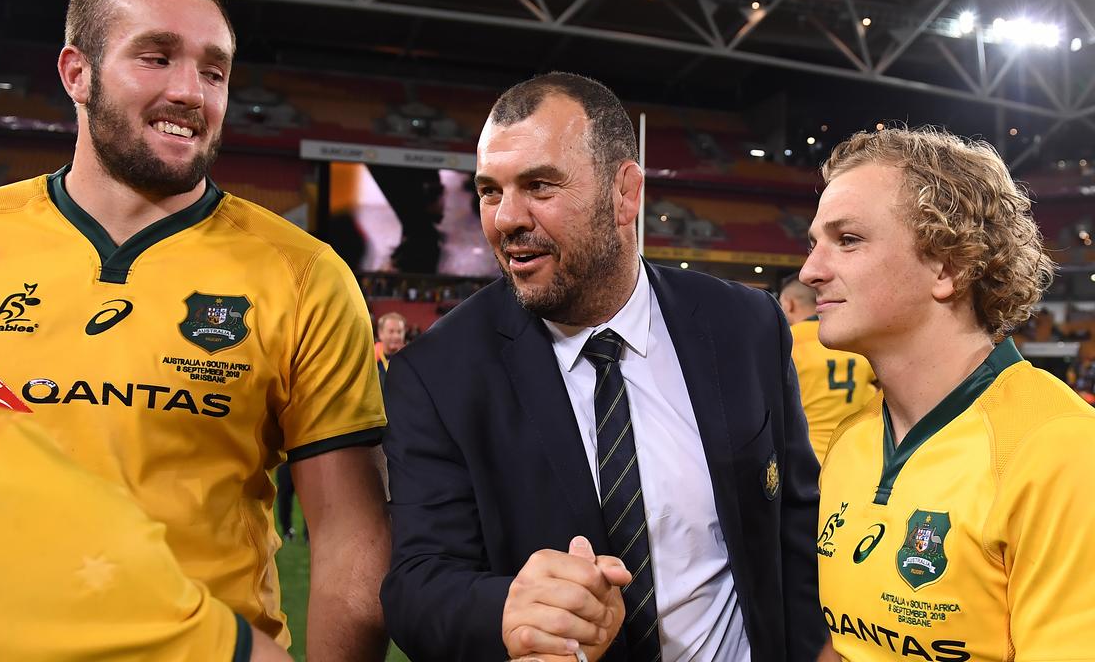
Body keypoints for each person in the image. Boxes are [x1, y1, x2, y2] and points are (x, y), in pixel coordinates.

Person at [0, 0, 390, 658]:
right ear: (75, 72)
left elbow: (350, 545)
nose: (191, 91)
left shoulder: (306, 275)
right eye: (155, 57)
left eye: (214, 71)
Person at [380, 72, 823, 662]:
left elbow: (795, 518)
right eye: (490, 190)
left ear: (625, 193)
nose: (506, 218)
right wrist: (509, 607)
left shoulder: (745, 326)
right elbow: (415, 586)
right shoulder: (437, 375)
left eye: (539, 185)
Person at [803, 127, 1095, 660]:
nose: (810, 271)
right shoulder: (850, 443)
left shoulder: (1060, 450)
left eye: (847, 240)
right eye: (814, 243)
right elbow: (846, 646)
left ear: (947, 266)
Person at [779, 275, 878, 463]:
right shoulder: (854, 340)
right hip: (852, 455)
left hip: (804, 456)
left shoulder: (787, 341)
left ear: (789, 304)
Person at [375, 311, 407, 384]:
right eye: (391, 331)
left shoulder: (411, 359)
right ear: (380, 333)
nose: (396, 336)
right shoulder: (371, 359)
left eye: (399, 332)